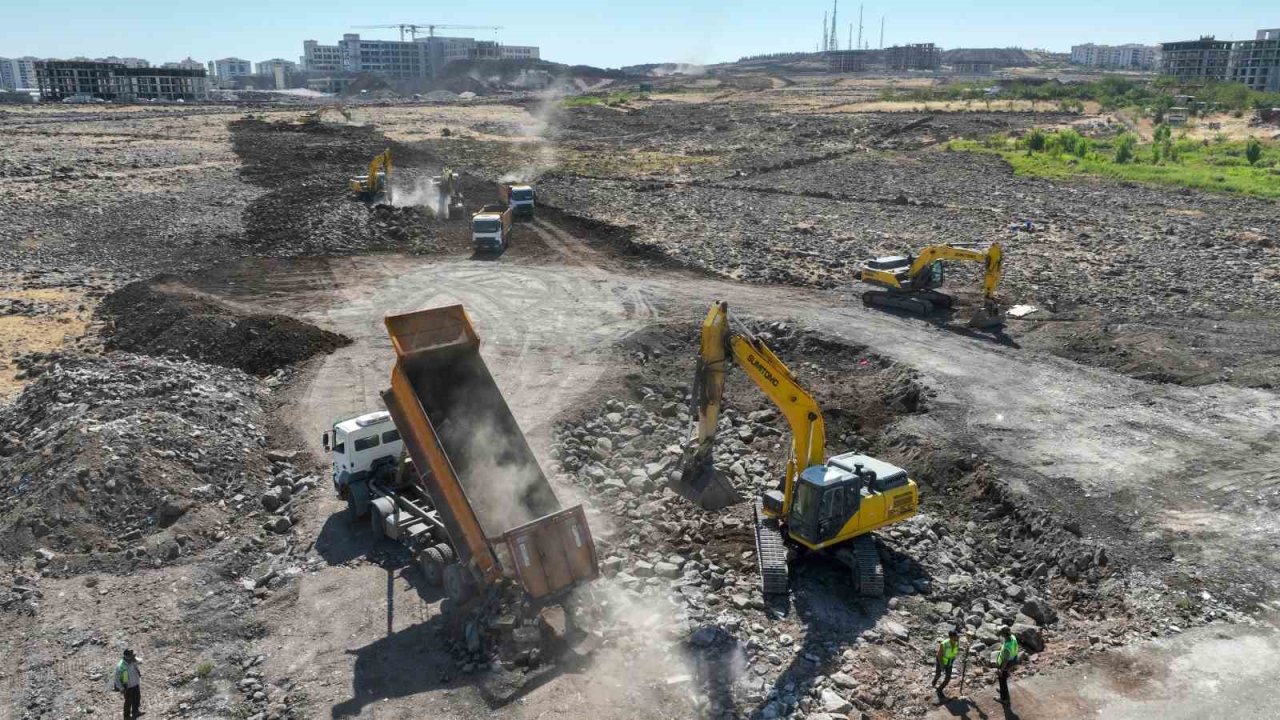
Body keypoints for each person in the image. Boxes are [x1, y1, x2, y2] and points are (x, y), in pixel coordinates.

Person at [112, 649, 143, 719]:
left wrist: (136, 660)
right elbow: (117, 679)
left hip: (135, 684)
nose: (134, 657)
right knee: (128, 702)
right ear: (127, 657)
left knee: (137, 698)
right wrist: (121, 688)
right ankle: (126, 717)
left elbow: (141, 662)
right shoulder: (120, 666)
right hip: (127, 687)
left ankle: (136, 712)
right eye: (132, 656)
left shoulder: (132, 661)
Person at [932, 629, 961, 698]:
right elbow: (939, 655)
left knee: (948, 678)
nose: (958, 637)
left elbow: (956, 649)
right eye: (956, 636)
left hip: (950, 662)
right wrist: (942, 665)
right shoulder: (944, 644)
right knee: (938, 675)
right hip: (941, 661)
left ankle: (939, 690)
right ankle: (934, 681)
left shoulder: (956, 642)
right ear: (951, 637)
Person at [995, 626, 1019, 706]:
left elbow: (1005, 660)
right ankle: (1003, 691)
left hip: (1006, 664)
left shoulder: (1007, 647)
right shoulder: (1012, 637)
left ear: (1004, 634)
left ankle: (1004, 699)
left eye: (1001, 633)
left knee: (1002, 680)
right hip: (1013, 660)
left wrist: (1001, 670)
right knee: (1004, 678)